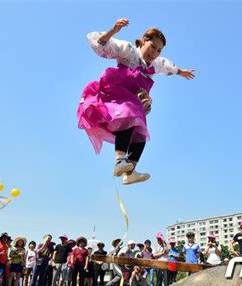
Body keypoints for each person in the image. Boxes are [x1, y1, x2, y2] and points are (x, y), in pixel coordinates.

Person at [77, 18, 195, 185]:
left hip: (134, 101)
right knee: (129, 114)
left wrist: (180, 71)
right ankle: (119, 160)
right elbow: (103, 45)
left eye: (158, 51)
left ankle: (130, 172)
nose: (154, 53)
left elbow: (167, 66)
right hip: (117, 95)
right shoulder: (129, 51)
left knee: (140, 132)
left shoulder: (154, 64)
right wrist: (113, 31)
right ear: (144, 40)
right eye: (152, 47)